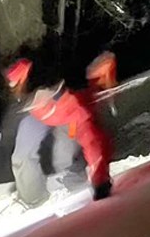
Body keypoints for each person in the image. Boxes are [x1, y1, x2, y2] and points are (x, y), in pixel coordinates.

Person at [28, 53, 117, 201]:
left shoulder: (75, 107)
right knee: (73, 148)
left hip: (73, 118)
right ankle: (84, 182)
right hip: (71, 118)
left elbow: (93, 146)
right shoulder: (70, 105)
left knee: (79, 147)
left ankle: (84, 183)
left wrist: (100, 183)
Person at [5, 58, 81, 207]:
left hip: (61, 109)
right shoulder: (25, 85)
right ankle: (32, 195)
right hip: (35, 111)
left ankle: (72, 182)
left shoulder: (47, 81)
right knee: (22, 157)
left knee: (64, 151)